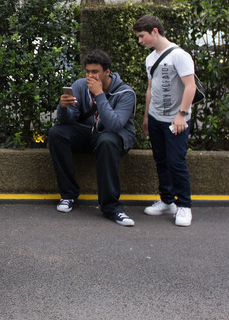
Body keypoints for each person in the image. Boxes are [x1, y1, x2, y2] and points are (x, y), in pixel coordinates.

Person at [49, 50, 137, 226]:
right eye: (88, 71)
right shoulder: (80, 86)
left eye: (95, 72)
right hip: (89, 133)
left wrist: (99, 94)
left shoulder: (126, 93)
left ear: (107, 72)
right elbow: (67, 121)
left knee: (106, 140)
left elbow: (114, 126)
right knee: (56, 133)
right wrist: (63, 108)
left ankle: (111, 207)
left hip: (114, 137)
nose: (90, 76)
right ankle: (68, 195)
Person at [132, 14, 197, 227]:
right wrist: (146, 116)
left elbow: (190, 86)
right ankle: (167, 201)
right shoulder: (150, 59)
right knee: (161, 161)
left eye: (142, 36)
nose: (140, 41)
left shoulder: (179, 56)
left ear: (155, 31)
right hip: (156, 118)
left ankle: (184, 206)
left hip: (175, 120)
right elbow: (151, 88)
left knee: (176, 162)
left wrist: (182, 115)